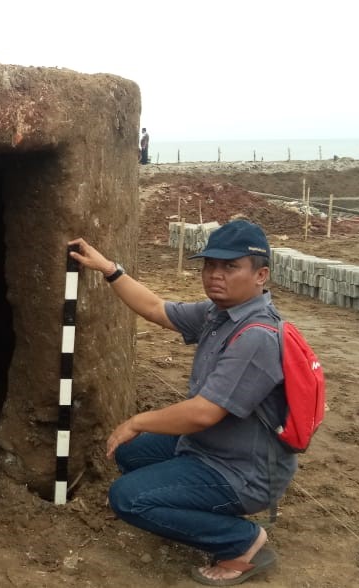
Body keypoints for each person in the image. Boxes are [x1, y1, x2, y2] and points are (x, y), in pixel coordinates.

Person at [69, 219, 293, 586]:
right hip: (212, 449)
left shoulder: (256, 337)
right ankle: (179, 505)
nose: (215, 275)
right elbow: (157, 308)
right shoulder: (217, 315)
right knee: (132, 453)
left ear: (261, 275)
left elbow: (203, 413)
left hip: (242, 473)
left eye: (230, 267)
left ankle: (243, 543)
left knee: (127, 498)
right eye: (210, 265)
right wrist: (110, 269)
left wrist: (137, 420)